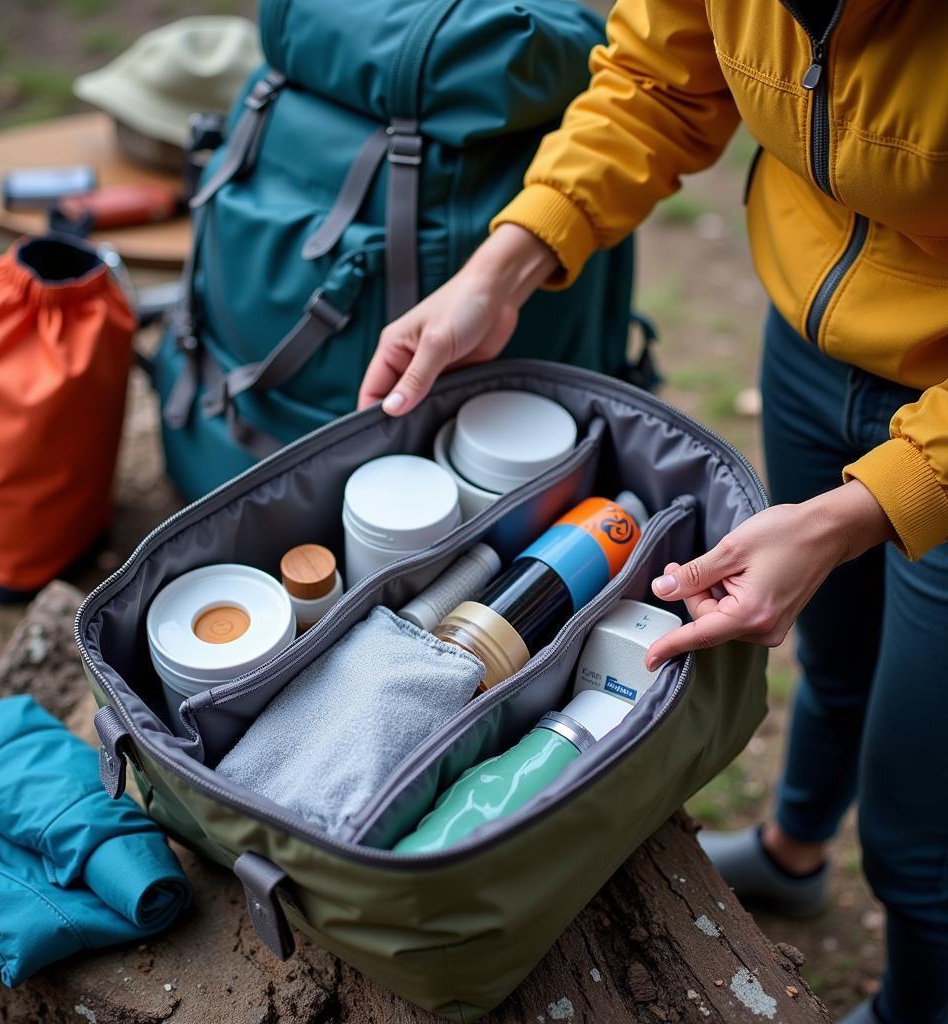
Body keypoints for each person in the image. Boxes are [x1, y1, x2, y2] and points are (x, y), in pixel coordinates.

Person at [357, 3, 948, 1023]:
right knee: (836, 651)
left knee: (923, 788)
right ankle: (793, 851)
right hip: (813, 341)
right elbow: (657, 82)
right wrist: (502, 266)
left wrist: (860, 510)